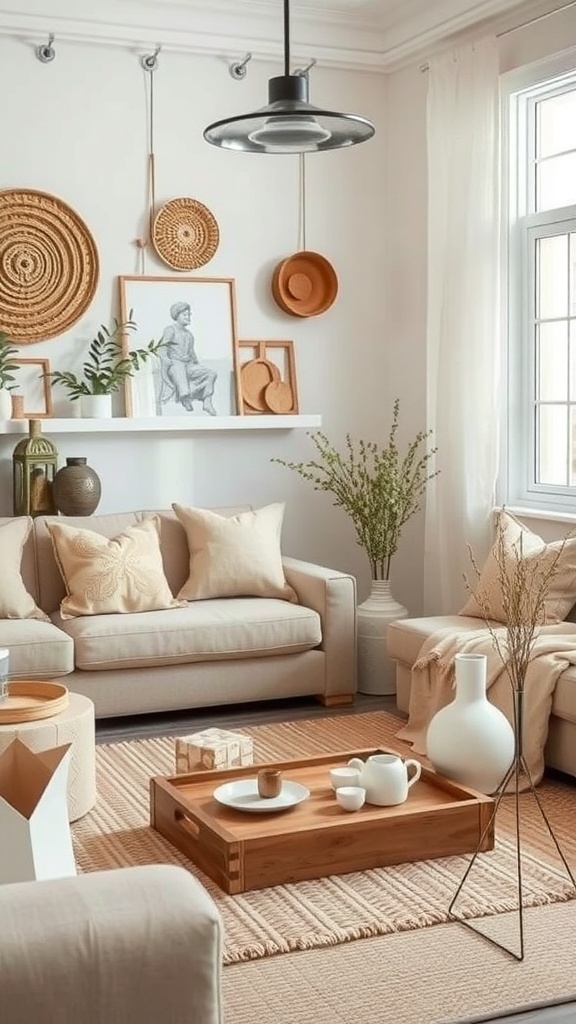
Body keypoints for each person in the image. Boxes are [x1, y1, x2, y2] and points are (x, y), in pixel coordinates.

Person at [157, 302, 217, 415]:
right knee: (180, 370)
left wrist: (197, 365)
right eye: (184, 315)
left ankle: (207, 401)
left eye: (189, 315)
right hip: (174, 364)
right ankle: (185, 397)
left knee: (211, 373)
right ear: (177, 316)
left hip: (188, 365)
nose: (188, 317)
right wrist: (165, 359)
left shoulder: (189, 335)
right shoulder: (170, 330)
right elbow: (162, 347)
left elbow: (192, 353)